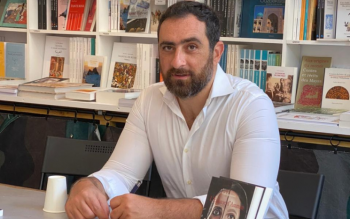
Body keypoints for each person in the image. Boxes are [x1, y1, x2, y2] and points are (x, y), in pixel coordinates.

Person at [65, 1, 288, 219]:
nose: (177, 61)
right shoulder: (149, 100)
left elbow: (243, 205)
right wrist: (89, 187)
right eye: (168, 48)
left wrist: (157, 211)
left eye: (191, 47)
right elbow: (120, 173)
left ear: (217, 52)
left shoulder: (251, 105)